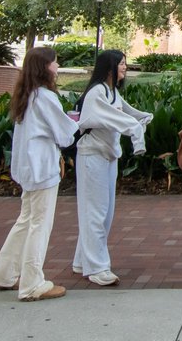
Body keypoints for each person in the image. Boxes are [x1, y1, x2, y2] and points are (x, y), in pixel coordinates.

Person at [0, 47, 77, 300]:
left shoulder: (25, 95)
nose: (57, 68)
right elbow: (65, 135)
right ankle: (32, 283)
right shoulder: (45, 97)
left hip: (27, 167)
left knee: (26, 220)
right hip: (42, 167)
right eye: (55, 63)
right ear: (44, 67)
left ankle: (3, 274)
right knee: (40, 224)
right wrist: (76, 123)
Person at [73, 50, 152, 286]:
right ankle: (97, 267)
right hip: (92, 156)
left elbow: (128, 113)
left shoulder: (112, 91)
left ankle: (82, 260)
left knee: (104, 212)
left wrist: (143, 118)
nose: (125, 67)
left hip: (108, 156)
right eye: (121, 64)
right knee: (95, 212)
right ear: (109, 67)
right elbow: (114, 118)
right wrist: (135, 130)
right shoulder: (96, 92)